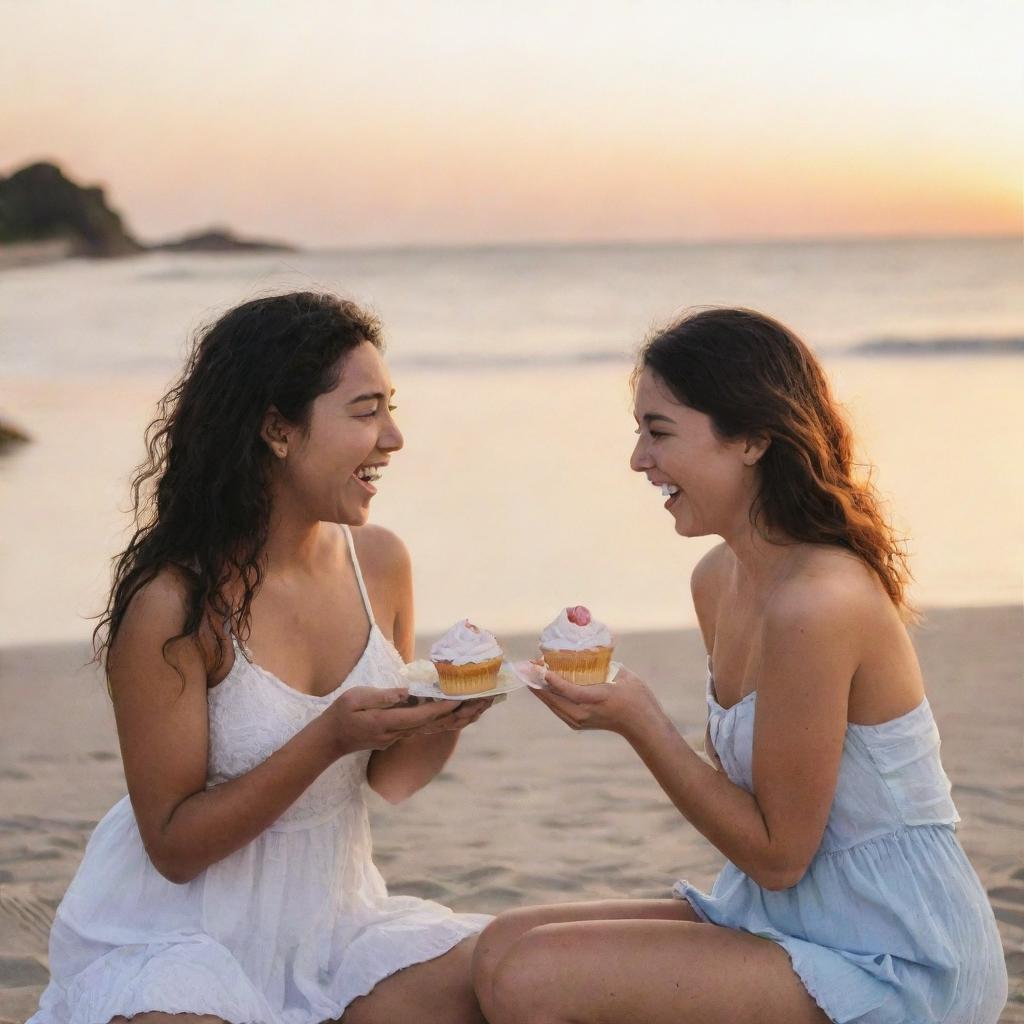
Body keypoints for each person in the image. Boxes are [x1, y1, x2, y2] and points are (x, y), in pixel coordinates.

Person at [473, 307, 1007, 1023]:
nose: (638, 459)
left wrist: (641, 725)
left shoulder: (819, 602)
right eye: (638, 432)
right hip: (788, 916)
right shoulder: (715, 580)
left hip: (893, 953)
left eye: (658, 432)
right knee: (504, 943)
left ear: (753, 438)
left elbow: (779, 853)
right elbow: (749, 798)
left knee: (533, 976)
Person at [30, 292, 493, 1024]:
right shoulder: (175, 605)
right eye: (367, 411)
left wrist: (448, 718)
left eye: (391, 408)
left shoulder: (381, 563)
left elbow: (389, 782)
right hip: (179, 938)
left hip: (333, 922)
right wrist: (326, 738)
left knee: (513, 978)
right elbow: (175, 847)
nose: (394, 438)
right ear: (278, 428)